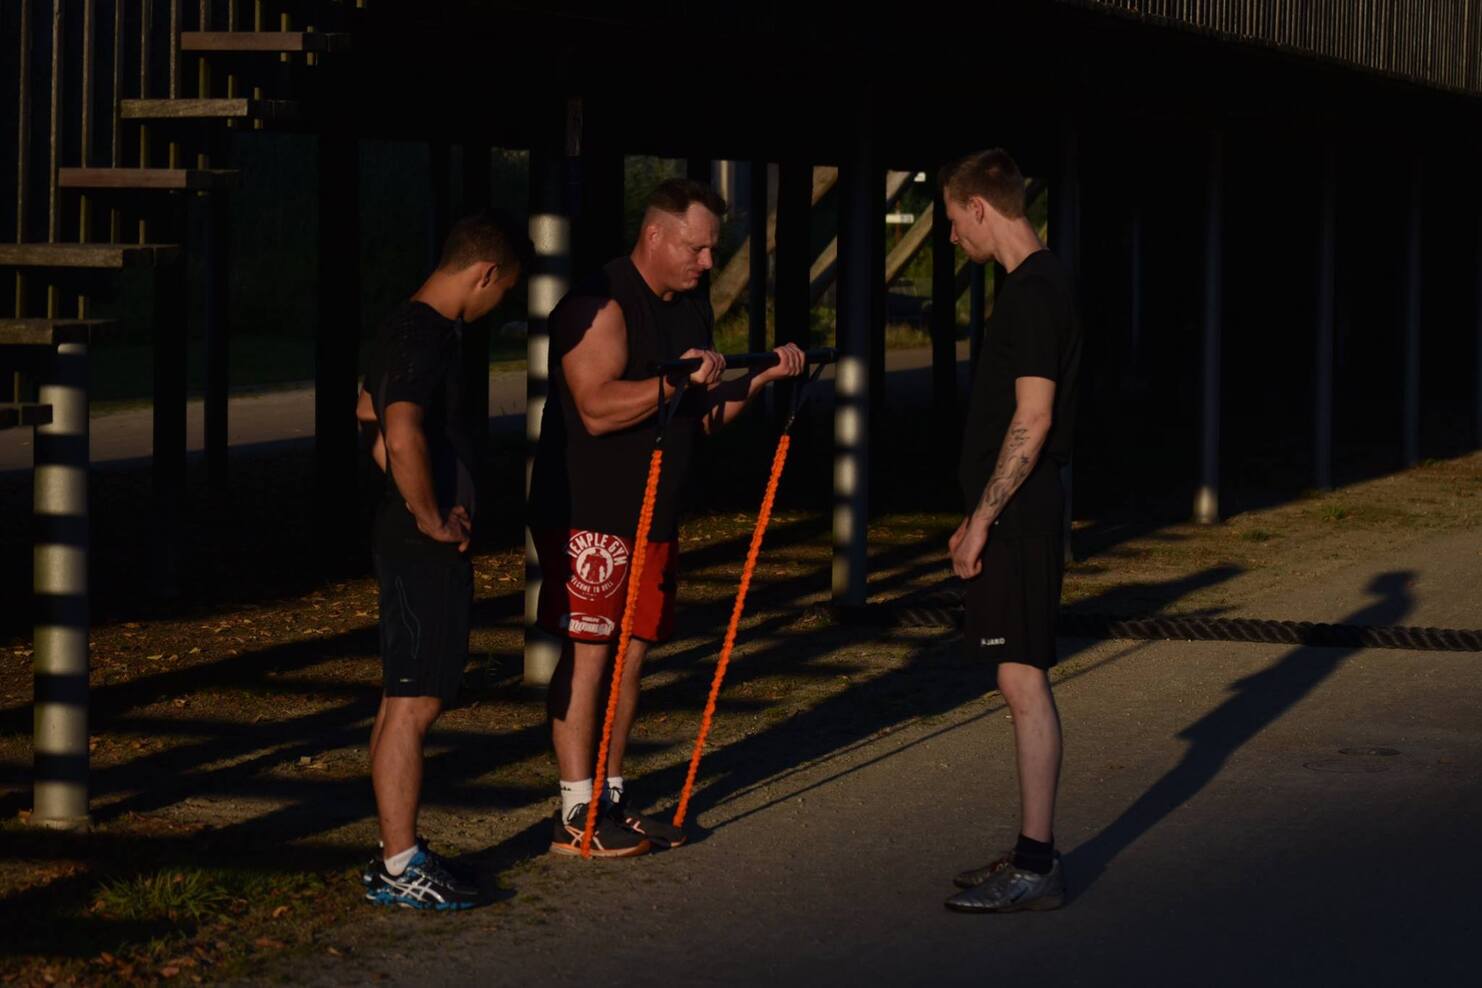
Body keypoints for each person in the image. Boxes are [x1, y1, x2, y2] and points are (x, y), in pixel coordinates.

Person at [528, 178, 805, 857]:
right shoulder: (600, 302)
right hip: (590, 509)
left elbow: (703, 416)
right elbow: (595, 406)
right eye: (698, 247)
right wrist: (676, 380)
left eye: (712, 250)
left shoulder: (691, 307)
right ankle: (575, 806)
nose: (708, 262)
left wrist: (760, 377)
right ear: (656, 235)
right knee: (592, 655)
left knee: (633, 657)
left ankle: (613, 792)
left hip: (656, 510)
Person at [356, 209, 531, 908]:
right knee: (416, 701)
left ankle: (396, 855)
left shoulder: (400, 326)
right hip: (416, 542)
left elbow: (369, 416)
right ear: (485, 273)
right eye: (503, 291)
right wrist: (429, 515)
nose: (497, 305)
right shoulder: (426, 334)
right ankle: (402, 868)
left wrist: (414, 490)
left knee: (402, 696)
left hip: (407, 534)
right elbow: (397, 435)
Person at [937, 150, 1083, 913]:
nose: (955, 239)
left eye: (956, 223)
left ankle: (1036, 865)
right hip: (1015, 512)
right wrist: (976, 512)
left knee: (1023, 678)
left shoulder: (1031, 294)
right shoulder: (1045, 283)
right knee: (1013, 676)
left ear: (982, 210)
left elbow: (1033, 418)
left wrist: (983, 523)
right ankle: (1032, 852)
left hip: (1020, 518)